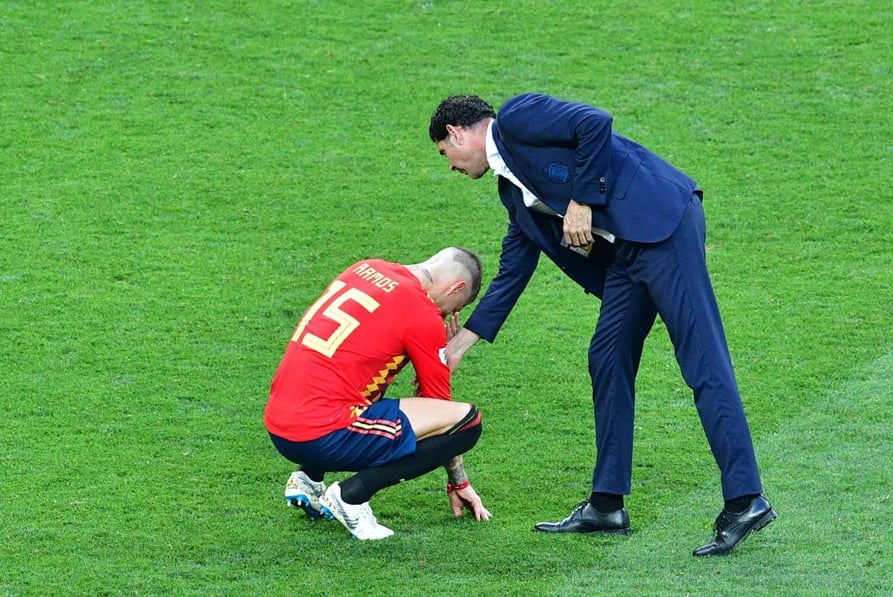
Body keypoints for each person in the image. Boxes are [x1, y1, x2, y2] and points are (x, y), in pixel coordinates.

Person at [428, 93, 775, 556]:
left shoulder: (516, 118)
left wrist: (581, 202)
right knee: (607, 358)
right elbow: (515, 267)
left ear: (456, 133)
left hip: (663, 226)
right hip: (629, 256)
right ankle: (607, 505)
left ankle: (746, 499)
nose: (449, 166)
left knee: (703, 361)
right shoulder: (511, 190)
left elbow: (594, 122)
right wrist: (460, 345)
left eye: (444, 153)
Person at [264, 247, 491, 540]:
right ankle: (352, 497)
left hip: (280, 422)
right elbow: (442, 412)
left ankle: (309, 476)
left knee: (360, 383)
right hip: (320, 434)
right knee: (468, 423)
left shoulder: (365, 268)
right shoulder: (422, 311)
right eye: (453, 308)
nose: (448, 315)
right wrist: (458, 482)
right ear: (456, 287)